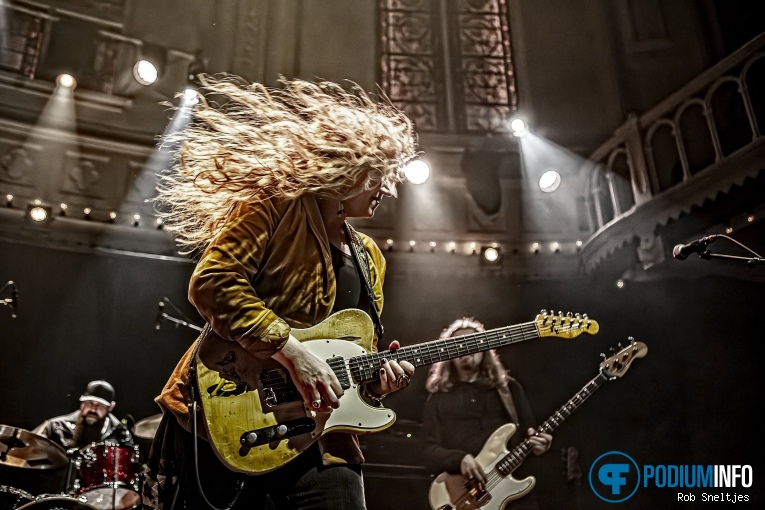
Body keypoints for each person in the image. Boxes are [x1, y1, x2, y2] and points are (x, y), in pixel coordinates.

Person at [142, 75, 418, 509]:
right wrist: (292, 351)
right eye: (380, 175)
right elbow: (213, 283)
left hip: (324, 440)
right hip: (234, 412)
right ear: (350, 166)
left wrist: (376, 385)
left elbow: (347, 354)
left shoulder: (371, 257)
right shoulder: (275, 206)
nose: (388, 188)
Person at [422, 318, 553, 510]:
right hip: (463, 496)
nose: (465, 348)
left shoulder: (508, 388)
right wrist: (459, 459)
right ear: (448, 354)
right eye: (457, 344)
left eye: (473, 343)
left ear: (485, 349)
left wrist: (540, 445)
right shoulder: (437, 399)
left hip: (514, 499)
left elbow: (530, 435)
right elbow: (427, 451)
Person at [34, 379, 134, 450]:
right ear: (82, 403)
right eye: (89, 403)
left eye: (100, 405)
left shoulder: (119, 433)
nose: (93, 409)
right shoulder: (55, 426)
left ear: (111, 407)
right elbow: (28, 445)